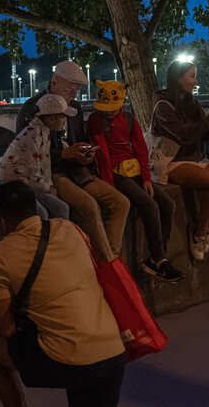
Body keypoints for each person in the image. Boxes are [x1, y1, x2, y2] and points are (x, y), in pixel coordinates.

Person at [0, 181, 126, 407]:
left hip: (72, 359)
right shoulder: (71, 229)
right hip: (114, 350)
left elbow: (5, 328)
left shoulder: (0, 254)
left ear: (2, 221)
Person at [21, 62, 130, 262]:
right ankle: (107, 262)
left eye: (78, 87)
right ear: (55, 80)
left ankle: (110, 257)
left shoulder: (75, 108)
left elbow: (77, 139)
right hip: (52, 174)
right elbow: (28, 154)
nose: (74, 92)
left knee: (121, 202)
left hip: (78, 171)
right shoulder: (33, 108)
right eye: (70, 85)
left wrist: (84, 154)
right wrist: (65, 154)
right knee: (88, 206)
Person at [87, 81, 183, 283]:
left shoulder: (129, 119)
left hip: (135, 171)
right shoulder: (95, 120)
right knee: (149, 205)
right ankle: (159, 260)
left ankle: (158, 258)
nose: (110, 112)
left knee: (168, 204)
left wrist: (147, 179)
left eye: (113, 109)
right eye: (107, 109)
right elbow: (102, 153)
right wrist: (110, 186)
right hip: (115, 174)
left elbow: (140, 148)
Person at [151, 61, 209, 261]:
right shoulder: (163, 104)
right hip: (172, 161)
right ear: (178, 77)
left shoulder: (192, 103)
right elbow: (182, 135)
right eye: (191, 76)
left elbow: (204, 134)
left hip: (196, 158)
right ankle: (198, 234)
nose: (195, 81)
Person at [0, 93, 71, 220]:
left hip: (26, 183)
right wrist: (48, 188)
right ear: (51, 118)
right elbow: (34, 170)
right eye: (62, 116)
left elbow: (43, 165)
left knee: (62, 208)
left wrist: (48, 186)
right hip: (10, 185)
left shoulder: (44, 132)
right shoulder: (33, 135)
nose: (64, 120)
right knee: (41, 214)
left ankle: (58, 238)